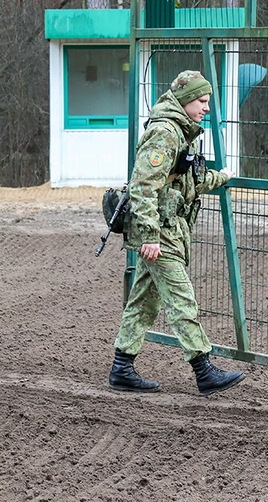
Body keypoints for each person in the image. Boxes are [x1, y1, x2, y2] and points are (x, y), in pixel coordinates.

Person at [109, 70, 245, 396]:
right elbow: (143, 187)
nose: (206, 108)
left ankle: (121, 369)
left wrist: (221, 177)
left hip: (165, 230)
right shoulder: (165, 134)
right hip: (160, 233)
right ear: (185, 101)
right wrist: (150, 236)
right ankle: (204, 370)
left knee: (143, 302)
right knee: (182, 299)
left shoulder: (182, 134)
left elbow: (190, 182)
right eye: (202, 101)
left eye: (207, 101)